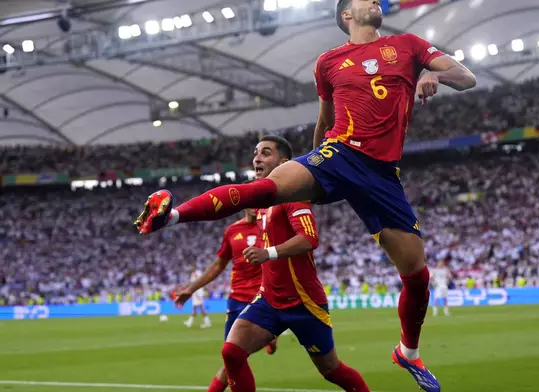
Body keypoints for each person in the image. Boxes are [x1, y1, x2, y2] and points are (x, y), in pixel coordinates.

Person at [134, 1, 475, 390]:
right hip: (340, 152)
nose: (375, 1)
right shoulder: (328, 62)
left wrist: (430, 76)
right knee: (266, 189)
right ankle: (172, 215)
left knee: (417, 275)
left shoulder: (409, 46)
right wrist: (313, 164)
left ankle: (408, 353)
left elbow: (467, 78)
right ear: (346, 15)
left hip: (381, 175)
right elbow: (325, 120)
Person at [225, 136, 369, 391]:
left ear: (284, 163)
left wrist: (267, 253)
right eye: (256, 152)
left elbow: (309, 238)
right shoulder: (261, 204)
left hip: (303, 302)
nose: (257, 158)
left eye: (265, 153)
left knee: (331, 370)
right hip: (269, 299)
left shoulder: (293, 197)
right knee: (232, 352)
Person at [173, 207, 277, 392]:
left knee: (236, 357)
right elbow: (218, 265)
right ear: (245, 205)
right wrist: (191, 289)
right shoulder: (232, 231)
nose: (255, 207)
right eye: (252, 203)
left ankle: (266, 336)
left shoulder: (272, 226)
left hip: (263, 299)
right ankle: (266, 338)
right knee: (231, 360)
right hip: (238, 300)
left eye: (259, 202)